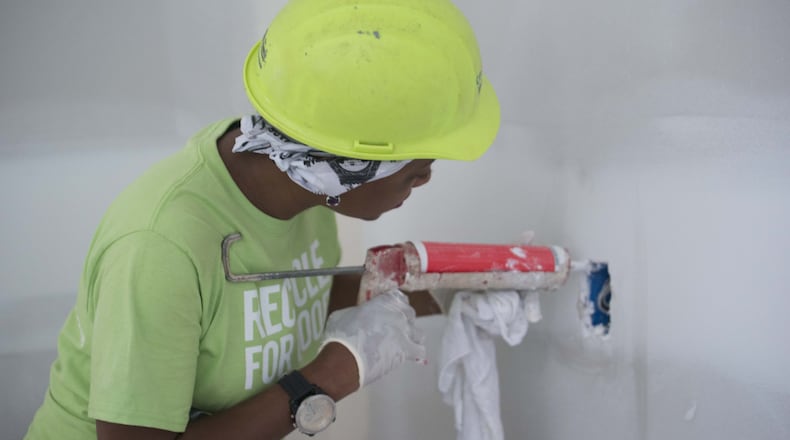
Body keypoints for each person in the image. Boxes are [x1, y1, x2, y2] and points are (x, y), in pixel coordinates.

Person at [25, 0, 500, 438]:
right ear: (347, 165)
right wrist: (330, 375)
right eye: (418, 165)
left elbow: (281, 298)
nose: (425, 177)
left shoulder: (298, 188)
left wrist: (438, 289)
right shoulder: (161, 248)